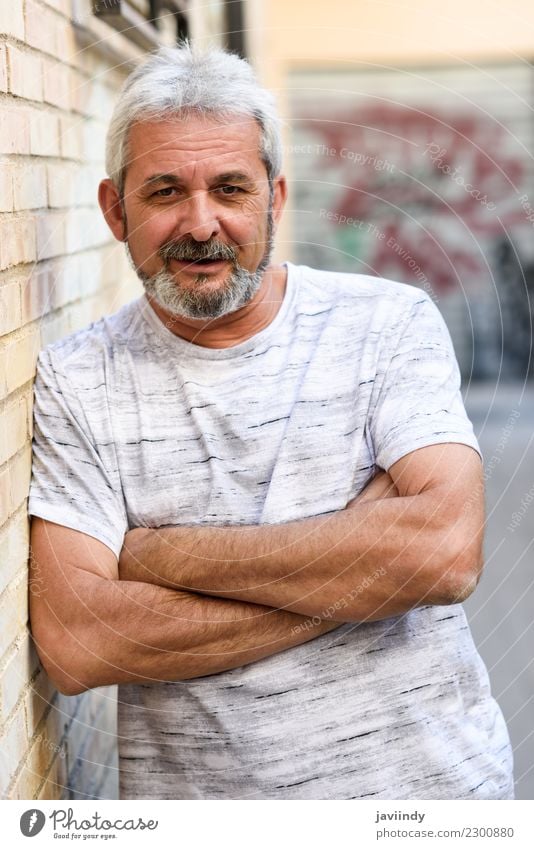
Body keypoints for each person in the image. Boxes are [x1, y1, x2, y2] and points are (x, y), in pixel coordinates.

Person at [28, 45, 513, 801]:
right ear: (115, 208)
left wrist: (157, 557)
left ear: (275, 198)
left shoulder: (386, 324)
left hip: (432, 802)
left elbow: (445, 553)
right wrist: (363, 577)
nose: (200, 224)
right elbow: (82, 639)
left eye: (229, 187)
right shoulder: (79, 378)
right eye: (164, 191)